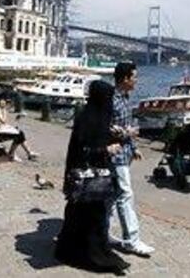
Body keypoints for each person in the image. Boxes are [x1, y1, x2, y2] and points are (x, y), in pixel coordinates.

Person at [56, 80, 130, 274]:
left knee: (82, 215)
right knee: (91, 217)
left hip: (89, 178)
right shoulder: (89, 118)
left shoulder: (93, 115)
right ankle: (92, 255)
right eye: (108, 97)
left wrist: (118, 134)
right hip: (89, 179)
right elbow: (84, 149)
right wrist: (106, 149)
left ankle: (78, 251)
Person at [104, 62, 154, 257]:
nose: (136, 80)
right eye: (134, 77)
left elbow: (126, 125)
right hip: (114, 155)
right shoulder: (111, 100)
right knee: (125, 194)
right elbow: (107, 128)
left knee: (111, 196)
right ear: (125, 79)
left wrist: (134, 147)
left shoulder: (125, 98)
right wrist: (127, 133)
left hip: (124, 154)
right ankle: (131, 240)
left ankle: (103, 232)